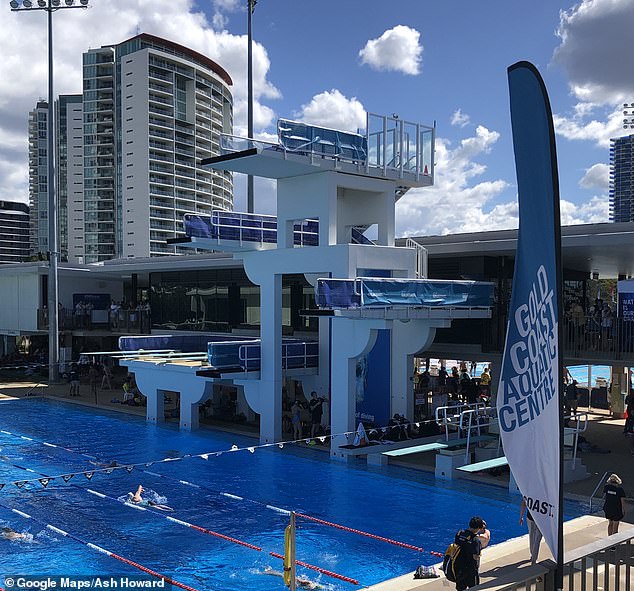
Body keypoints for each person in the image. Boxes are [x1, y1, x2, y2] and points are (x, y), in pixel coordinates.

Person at [452, 516, 490, 591]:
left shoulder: (459, 533)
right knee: (474, 588)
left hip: (459, 567)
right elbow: (476, 557)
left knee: (460, 588)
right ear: (478, 528)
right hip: (470, 571)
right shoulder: (475, 540)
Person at [519, 498, 542, 564]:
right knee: (537, 539)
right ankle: (534, 559)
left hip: (530, 517)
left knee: (532, 536)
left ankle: (533, 556)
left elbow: (523, 503)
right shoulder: (544, 492)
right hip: (540, 519)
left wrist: (521, 516)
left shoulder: (528, 490)